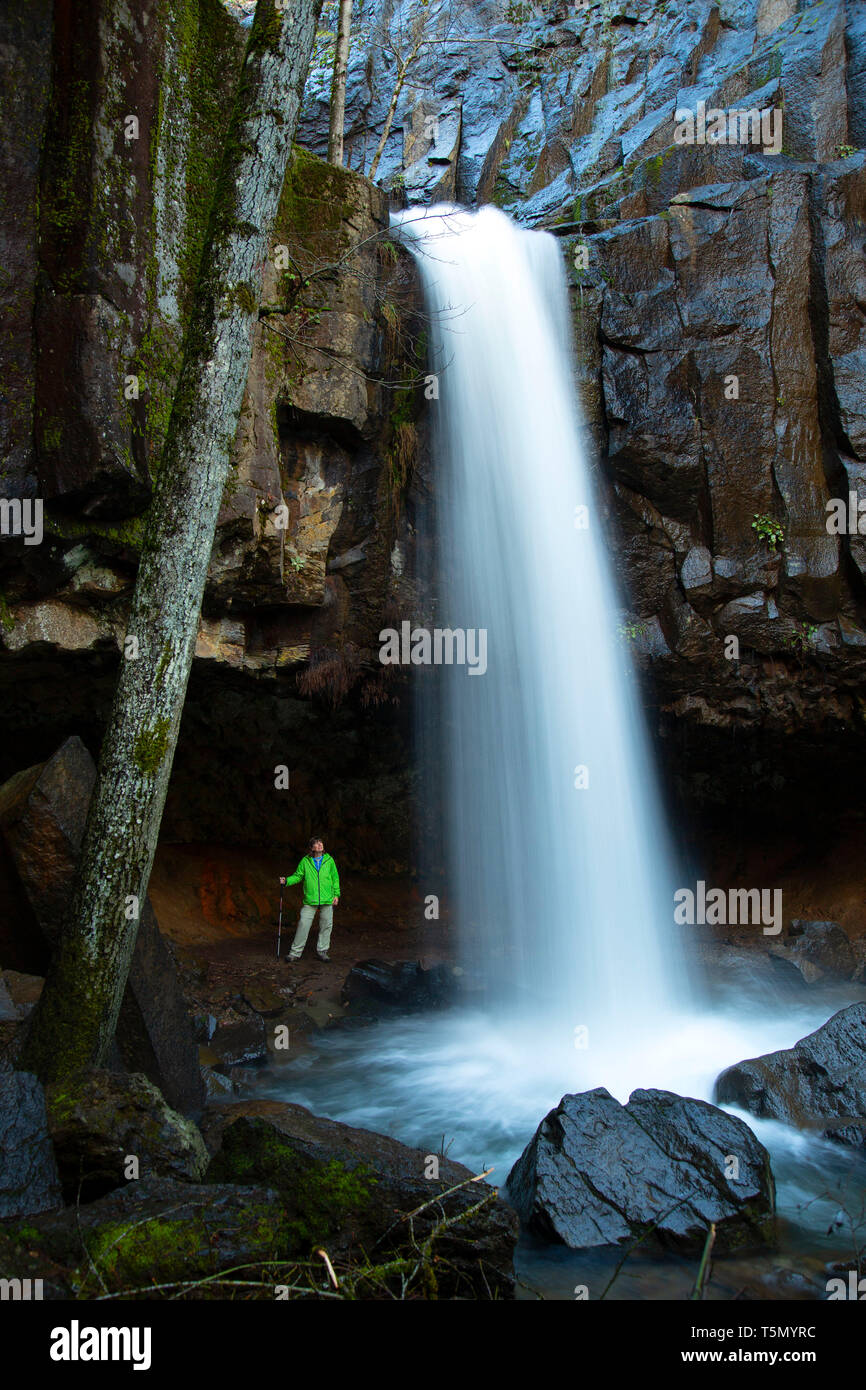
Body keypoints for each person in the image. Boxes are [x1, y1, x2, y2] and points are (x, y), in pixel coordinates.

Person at [280, 837, 340, 963]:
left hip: (327, 898)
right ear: (311, 848)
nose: (319, 845)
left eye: (321, 843)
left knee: (326, 925)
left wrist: (336, 894)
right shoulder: (305, 861)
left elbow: (335, 878)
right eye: (316, 844)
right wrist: (286, 881)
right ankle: (295, 953)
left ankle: (322, 952)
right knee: (303, 924)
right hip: (310, 899)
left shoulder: (329, 860)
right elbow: (298, 876)